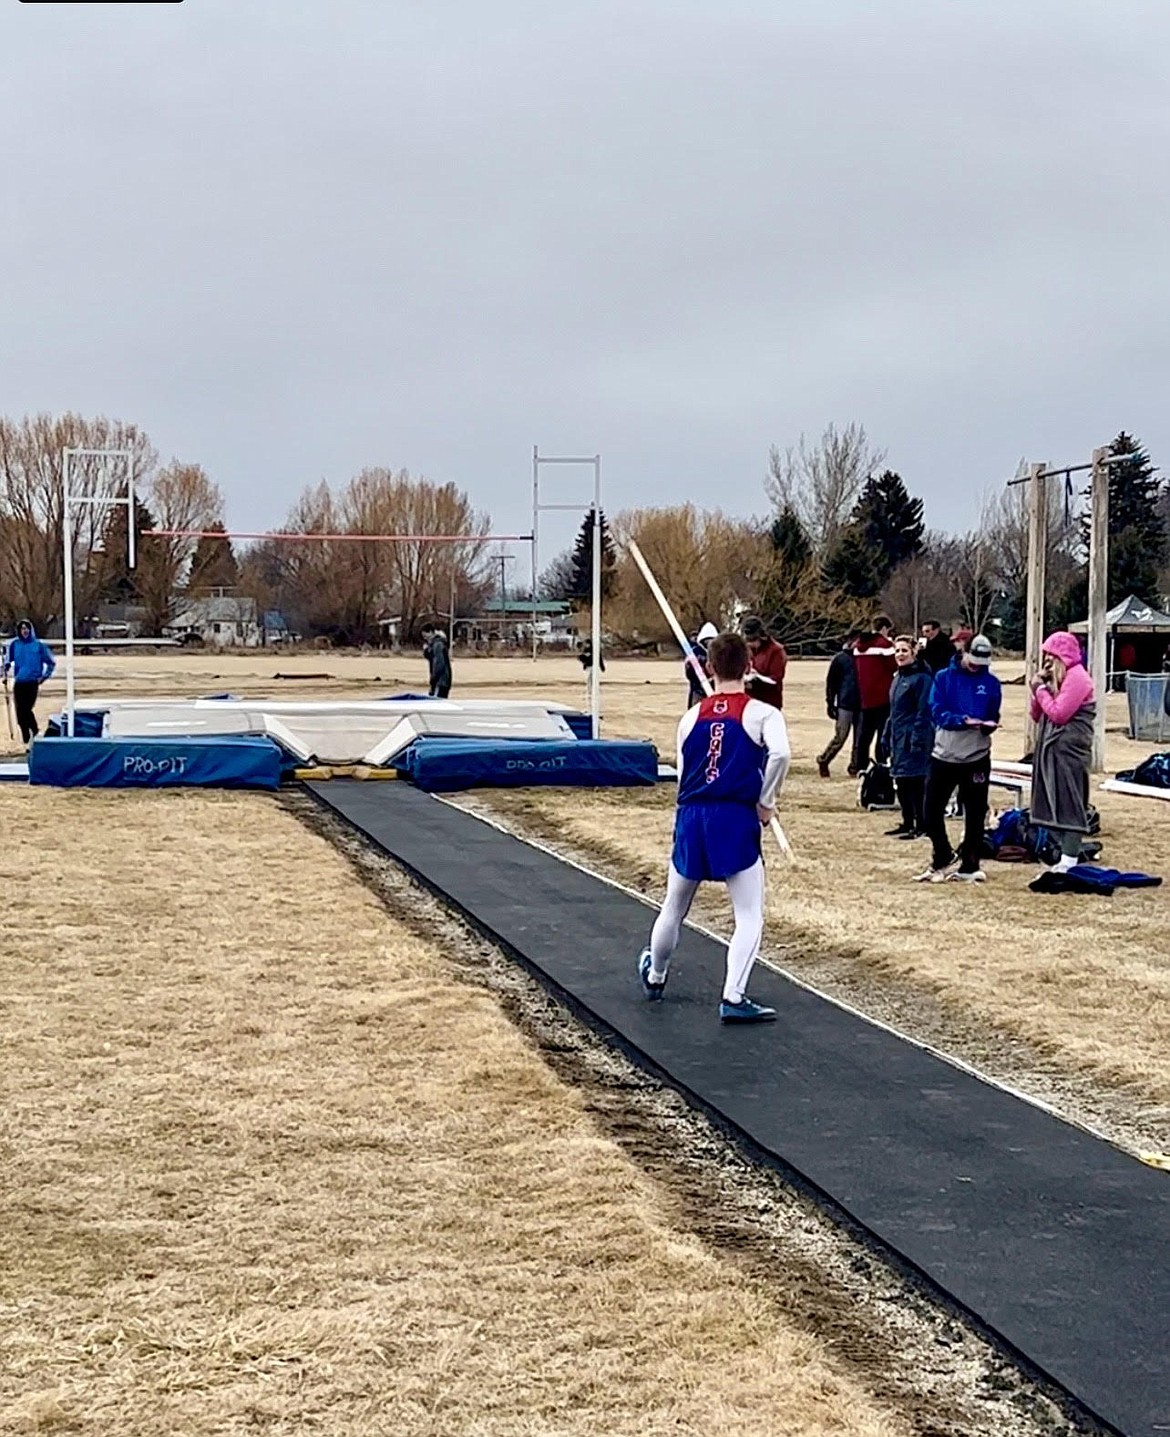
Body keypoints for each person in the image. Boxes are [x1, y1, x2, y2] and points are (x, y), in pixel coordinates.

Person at [637, 631, 790, 1024]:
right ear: (750, 666)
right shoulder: (762, 714)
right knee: (749, 913)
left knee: (674, 905)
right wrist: (766, 801)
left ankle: (656, 975)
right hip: (733, 816)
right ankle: (733, 996)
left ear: (709, 667)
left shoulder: (690, 717)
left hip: (692, 813)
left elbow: (685, 773)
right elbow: (782, 754)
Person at [916, 634, 1002, 883]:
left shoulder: (992, 683)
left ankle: (970, 864)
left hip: (977, 757)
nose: (977, 665)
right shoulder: (943, 678)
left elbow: (993, 712)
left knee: (975, 813)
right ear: (962, 653)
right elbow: (936, 710)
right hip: (945, 754)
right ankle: (943, 854)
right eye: (973, 659)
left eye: (982, 661)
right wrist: (961, 720)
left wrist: (988, 725)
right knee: (930, 811)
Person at [1029, 631, 1096, 872]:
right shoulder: (1055, 679)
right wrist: (1038, 689)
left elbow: (1060, 713)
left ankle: (1069, 857)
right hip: (1052, 749)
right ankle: (1063, 850)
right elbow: (1037, 715)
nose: (1046, 660)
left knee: (1070, 799)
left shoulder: (1078, 678)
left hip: (1070, 748)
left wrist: (1041, 691)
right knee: (1052, 798)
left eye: (1050, 655)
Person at [883, 635, 934, 838]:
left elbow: (923, 711)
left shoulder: (922, 679)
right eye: (897, 651)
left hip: (913, 735)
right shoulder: (898, 678)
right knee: (901, 780)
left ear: (914, 652)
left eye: (904, 650)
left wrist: (917, 738)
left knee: (915, 781)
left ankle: (922, 824)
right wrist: (886, 735)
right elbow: (893, 711)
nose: (900, 655)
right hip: (898, 734)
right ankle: (907, 821)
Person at [2, 620, 56, 745]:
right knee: (20, 713)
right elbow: (7, 661)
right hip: (19, 682)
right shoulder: (15, 644)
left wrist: (43, 677)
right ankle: (26, 738)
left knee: (26, 709)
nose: (24, 631)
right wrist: (5, 668)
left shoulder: (38, 645)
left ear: (30, 630)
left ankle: (35, 731)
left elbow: (51, 662)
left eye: (26, 628)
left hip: (32, 682)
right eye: (22, 629)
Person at [853, 616, 897, 769]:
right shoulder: (884, 645)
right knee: (883, 732)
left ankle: (860, 764)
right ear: (884, 628)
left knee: (864, 734)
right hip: (883, 695)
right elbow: (894, 666)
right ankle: (882, 762)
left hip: (866, 696)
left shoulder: (859, 645)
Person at [817, 630, 861, 778]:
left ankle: (855, 767)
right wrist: (830, 702)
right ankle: (824, 759)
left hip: (863, 703)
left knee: (859, 739)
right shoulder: (840, 659)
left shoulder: (865, 658)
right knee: (841, 736)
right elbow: (832, 683)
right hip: (845, 703)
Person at [740, 615, 787, 710]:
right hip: (748, 701)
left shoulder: (775, 651)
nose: (750, 644)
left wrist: (757, 677)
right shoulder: (746, 650)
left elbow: (776, 679)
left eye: (753, 640)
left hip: (769, 702)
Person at [685, 621, 718, 706]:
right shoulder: (695, 652)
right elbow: (689, 672)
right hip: (698, 690)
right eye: (707, 640)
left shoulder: (719, 651)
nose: (709, 643)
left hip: (715, 689)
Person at [422, 627, 452, 698]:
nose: (425, 638)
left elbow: (439, 663)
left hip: (441, 681)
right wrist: (426, 651)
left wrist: (433, 680)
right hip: (441, 681)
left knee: (438, 702)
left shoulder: (438, 645)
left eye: (425, 636)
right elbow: (431, 658)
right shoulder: (435, 644)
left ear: (431, 632)